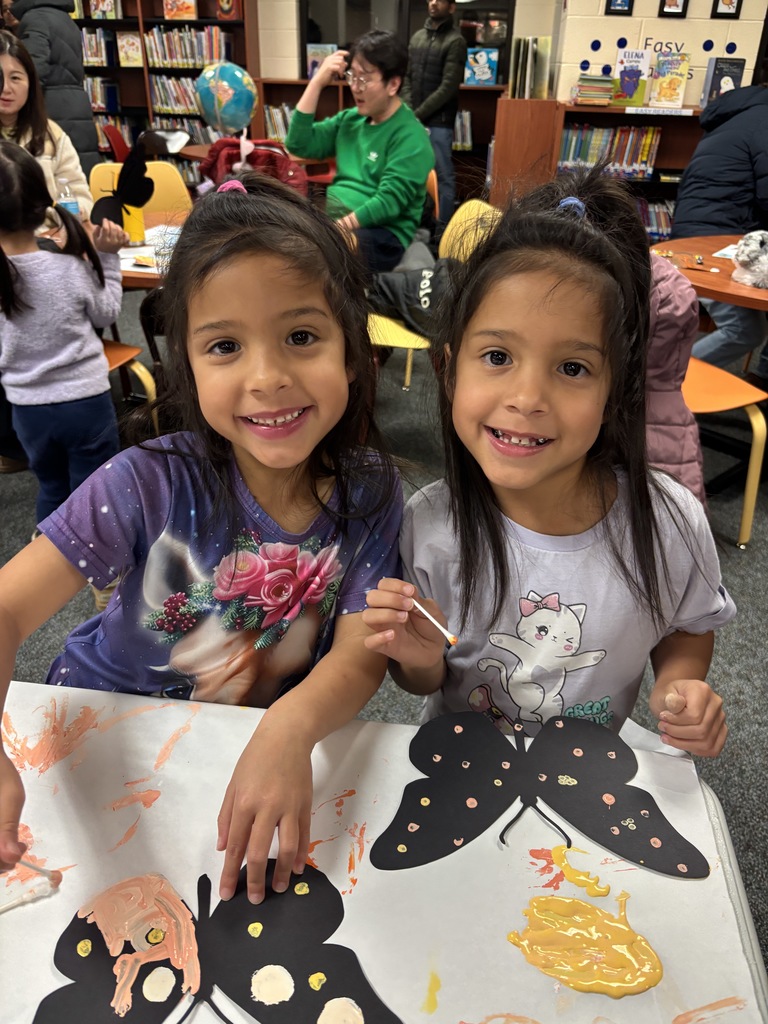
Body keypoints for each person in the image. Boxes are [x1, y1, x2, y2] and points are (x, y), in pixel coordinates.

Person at [0, 172, 403, 908]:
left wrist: (291, 724)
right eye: (225, 346)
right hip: (99, 726)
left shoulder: (371, 489)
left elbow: (359, 650)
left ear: (352, 350)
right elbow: (7, 610)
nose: (267, 377)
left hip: (240, 743)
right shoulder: (145, 480)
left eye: (302, 336)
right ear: (186, 362)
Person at [363, 167, 734, 759]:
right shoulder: (428, 525)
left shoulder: (670, 522)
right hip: (462, 767)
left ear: (616, 391)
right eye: (497, 356)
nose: (527, 397)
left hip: (587, 777)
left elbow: (688, 624)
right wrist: (417, 658)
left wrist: (681, 685)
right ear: (452, 367)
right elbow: (423, 681)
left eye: (572, 368)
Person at [0, 140, 124, 525]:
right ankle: (104, 576)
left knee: (52, 489)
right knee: (97, 494)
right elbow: (107, 314)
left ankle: (49, 556)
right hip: (86, 402)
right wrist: (108, 259)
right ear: (42, 203)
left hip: (27, 412)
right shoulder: (69, 267)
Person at [285, 29, 435, 274]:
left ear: (393, 84)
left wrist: (335, 229)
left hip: (384, 235)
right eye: (351, 76)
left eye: (364, 78)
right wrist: (317, 82)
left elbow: (389, 202)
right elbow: (298, 143)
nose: (355, 87)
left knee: (314, 260)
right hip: (337, 223)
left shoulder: (412, 136)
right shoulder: (349, 121)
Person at [671, 83, 768, 389]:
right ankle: (660, 389)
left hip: (692, 238)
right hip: (718, 241)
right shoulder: (763, 122)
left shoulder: (735, 118)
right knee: (744, 330)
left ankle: (760, 378)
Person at [0, 31, 92, 234]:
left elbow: (81, 197)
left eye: (15, 78)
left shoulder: (51, 134)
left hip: (49, 243)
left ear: (30, 84)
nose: (6, 88)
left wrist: (54, 220)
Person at [8, 0, 100, 175]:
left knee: (52, 178)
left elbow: (33, 72)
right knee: (75, 177)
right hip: (76, 108)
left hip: (52, 109)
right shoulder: (64, 19)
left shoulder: (36, 19)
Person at [401, 0, 467, 229]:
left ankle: (442, 233)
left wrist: (416, 115)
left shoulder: (456, 41)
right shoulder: (417, 37)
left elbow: (448, 87)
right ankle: (416, 228)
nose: (432, 3)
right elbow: (407, 77)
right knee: (413, 175)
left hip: (439, 122)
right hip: (413, 119)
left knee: (442, 178)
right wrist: (409, 111)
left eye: (439, 0)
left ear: (451, 7)